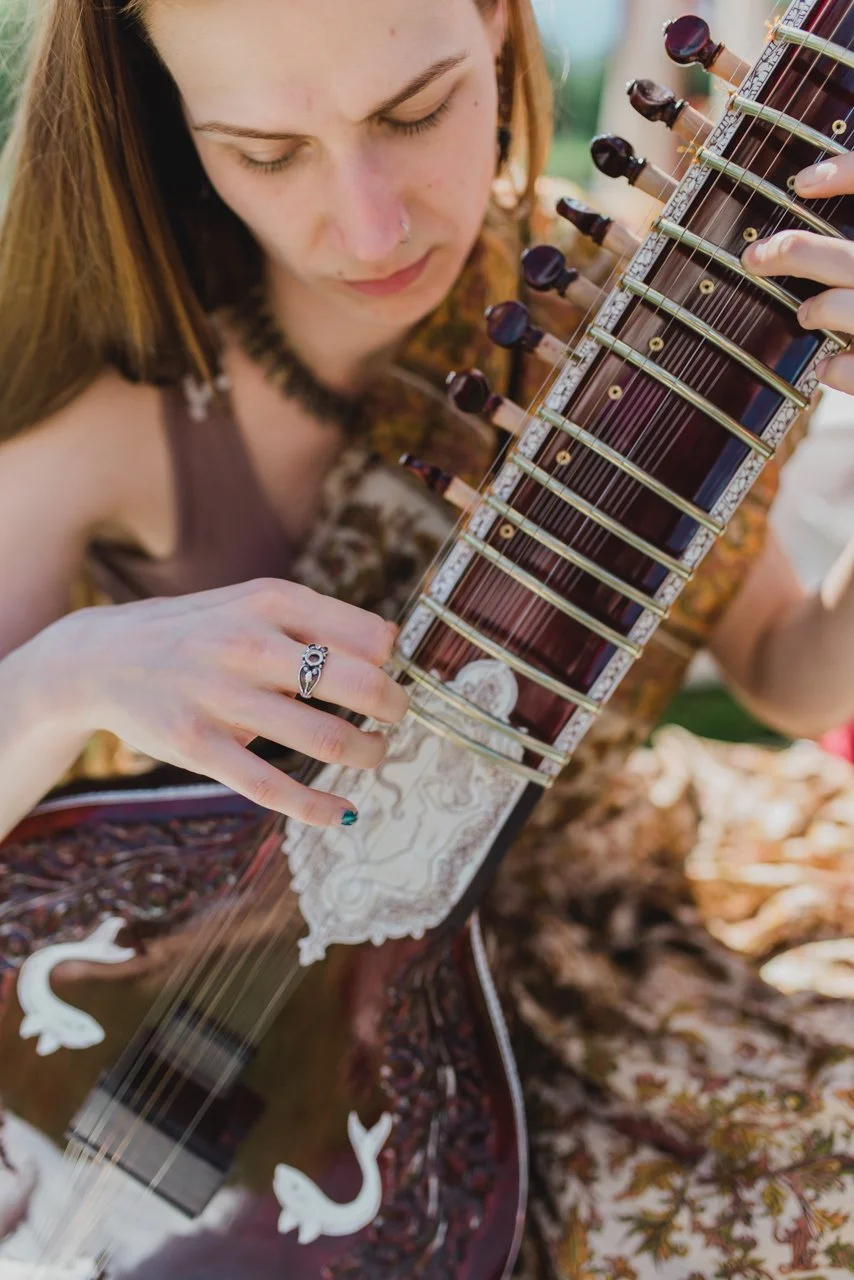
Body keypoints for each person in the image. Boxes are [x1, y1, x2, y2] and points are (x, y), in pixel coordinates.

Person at [0, 0, 852, 1272]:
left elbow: (787, 676)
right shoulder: (120, 415)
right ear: (164, 118)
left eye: (415, 110)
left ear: (504, 31)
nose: (369, 223)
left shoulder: (654, 328)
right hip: (238, 1041)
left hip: (617, 932)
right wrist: (66, 676)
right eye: (265, 150)